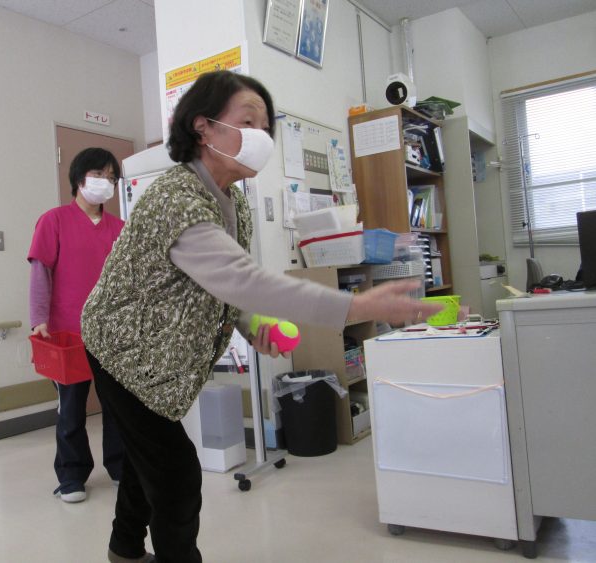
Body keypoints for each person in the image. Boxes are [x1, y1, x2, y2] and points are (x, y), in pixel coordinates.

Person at [80, 71, 443, 563]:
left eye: (266, 127)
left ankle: (124, 549)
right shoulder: (175, 199)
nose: (261, 137)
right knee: (176, 473)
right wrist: (356, 306)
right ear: (203, 127)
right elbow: (247, 281)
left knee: (153, 459)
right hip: (121, 350)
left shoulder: (234, 204)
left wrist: (253, 326)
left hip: (157, 357)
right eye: (248, 122)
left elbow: (226, 287)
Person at [28, 148, 126, 503]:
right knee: (71, 409)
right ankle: (71, 475)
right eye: (99, 175)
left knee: (118, 408)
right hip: (67, 333)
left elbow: (129, 282)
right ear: (79, 178)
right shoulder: (53, 221)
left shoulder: (120, 229)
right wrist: (39, 320)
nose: (105, 183)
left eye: (111, 178)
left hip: (112, 333)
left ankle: (121, 467)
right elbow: (40, 272)